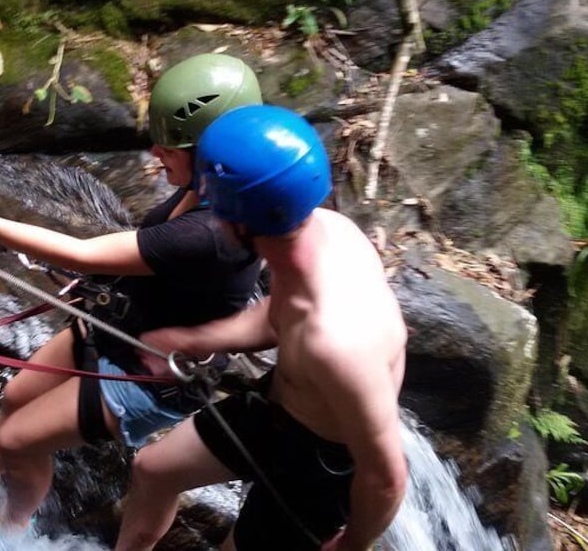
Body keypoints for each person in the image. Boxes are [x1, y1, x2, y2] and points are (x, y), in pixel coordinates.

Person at [0, 53, 263, 531]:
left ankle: (8, 530)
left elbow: (81, 252)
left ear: (210, 155)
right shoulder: (212, 188)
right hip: (119, 324)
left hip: (150, 373)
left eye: (169, 149)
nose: (155, 155)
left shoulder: (209, 232)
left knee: (18, 439)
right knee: (17, 395)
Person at [115, 105, 408, 551]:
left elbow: (385, 476)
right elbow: (280, 312)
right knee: (152, 470)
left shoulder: (338, 344)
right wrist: (196, 340)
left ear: (238, 219)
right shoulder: (326, 229)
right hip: (279, 408)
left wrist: (353, 543)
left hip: (322, 464)